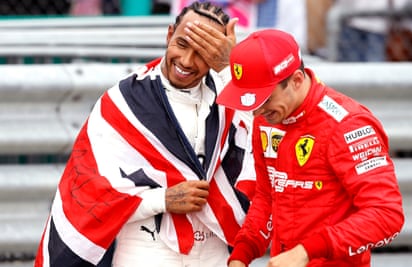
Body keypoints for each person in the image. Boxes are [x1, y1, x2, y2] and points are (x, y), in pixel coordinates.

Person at [34, 2, 256, 266]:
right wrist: (162, 199)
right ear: (169, 34)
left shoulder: (229, 94)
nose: (186, 61)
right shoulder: (124, 102)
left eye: (202, 53)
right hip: (146, 242)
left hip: (214, 244)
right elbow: (91, 192)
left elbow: (262, 141)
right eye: (182, 45)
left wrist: (230, 68)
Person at [216, 29, 405, 266]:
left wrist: (307, 251)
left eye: (263, 99)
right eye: (250, 100)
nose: (256, 111)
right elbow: (267, 197)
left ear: (295, 80)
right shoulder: (267, 118)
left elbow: (387, 214)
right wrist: (241, 255)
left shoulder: (348, 125)